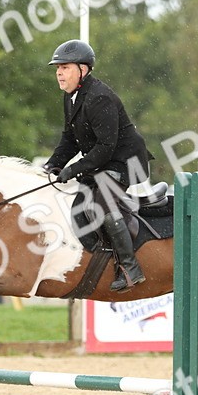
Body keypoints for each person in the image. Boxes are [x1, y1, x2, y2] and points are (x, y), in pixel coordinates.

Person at [42, 39, 152, 291]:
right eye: (57, 68)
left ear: (83, 69)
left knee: (102, 205)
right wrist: (52, 166)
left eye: (65, 67)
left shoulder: (99, 97)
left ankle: (130, 268)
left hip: (126, 163)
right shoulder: (70, 97)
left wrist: (73, 169)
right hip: (102, 163)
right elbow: (69, 139)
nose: (59, 72)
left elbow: (105, 147)